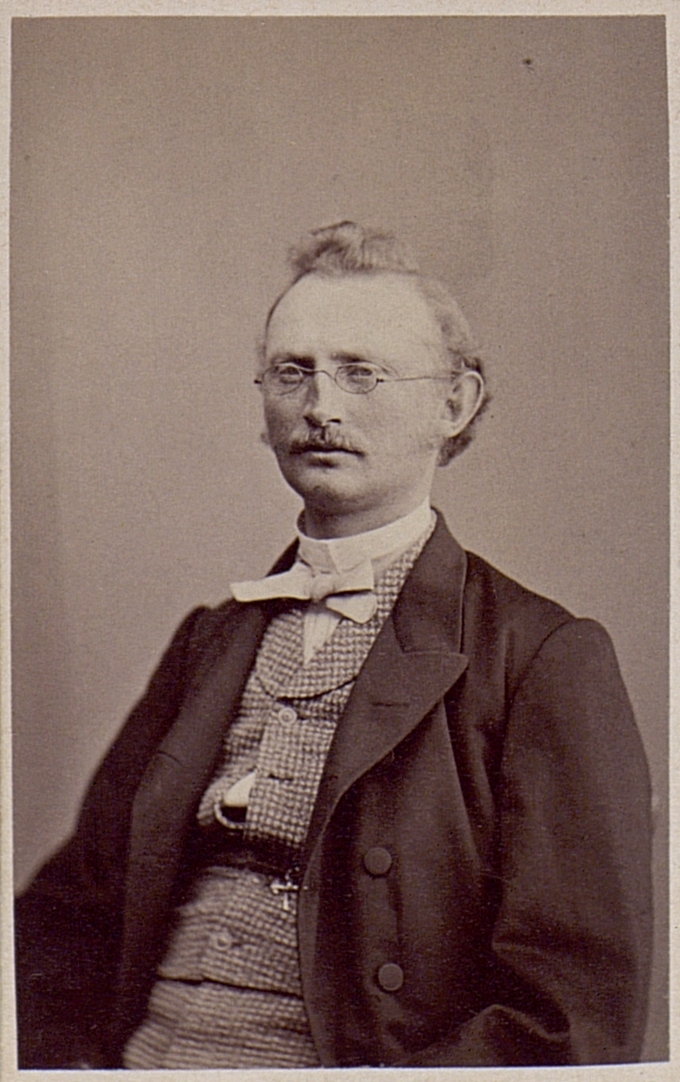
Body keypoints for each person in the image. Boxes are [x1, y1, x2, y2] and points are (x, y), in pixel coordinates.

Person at [15, 221, 653, 1069]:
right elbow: (65, 918)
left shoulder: (539, 658)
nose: (321, 407)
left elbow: (570, 1019)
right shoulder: (210, 640)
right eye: (293, 372)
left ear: (454, 404)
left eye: (362, 373)